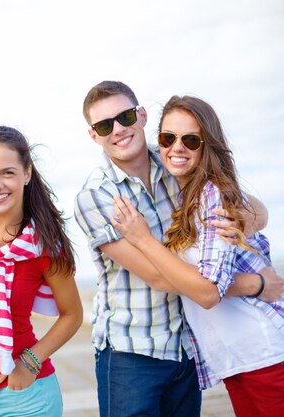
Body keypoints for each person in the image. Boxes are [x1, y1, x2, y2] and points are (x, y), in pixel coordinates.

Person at [73, 81, 283, 417]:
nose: (118, 130)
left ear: (141, 116)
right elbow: (158, 276)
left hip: (186, 348)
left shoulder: (176, 159)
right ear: (94, 135)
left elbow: (250, 206)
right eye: (104, 125)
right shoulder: (96, 197)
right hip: (132, 352)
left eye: (125, 116)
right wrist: (256, 285)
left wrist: (245, 217)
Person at [0, 126, 83, 417]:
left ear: (27, 173)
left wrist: (31, 362)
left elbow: (72, 315)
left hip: (28, 395)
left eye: (7, 172)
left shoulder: (44, 244)